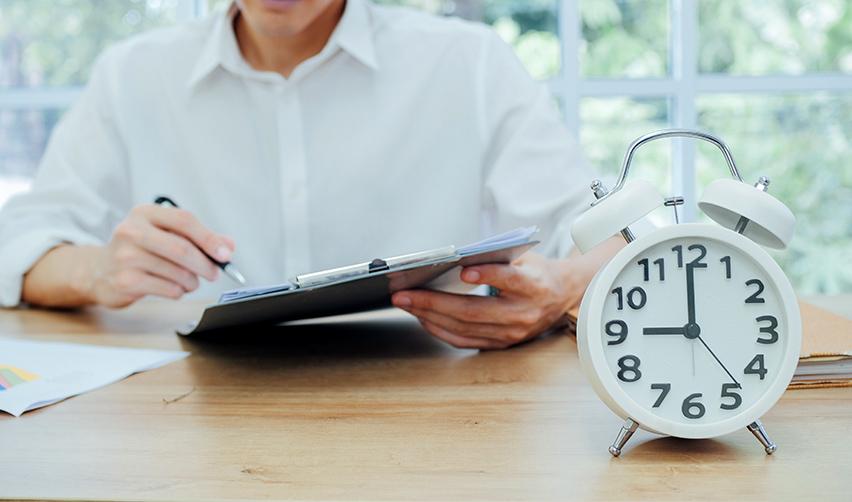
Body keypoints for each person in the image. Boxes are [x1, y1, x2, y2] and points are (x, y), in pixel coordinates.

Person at [0, 0, 621, 349]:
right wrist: (100, 269)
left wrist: (560, 293)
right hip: (187, 426)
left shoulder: (470, 63)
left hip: (438, 426)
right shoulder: (131, 75)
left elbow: (610, 238)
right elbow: (17, 245)